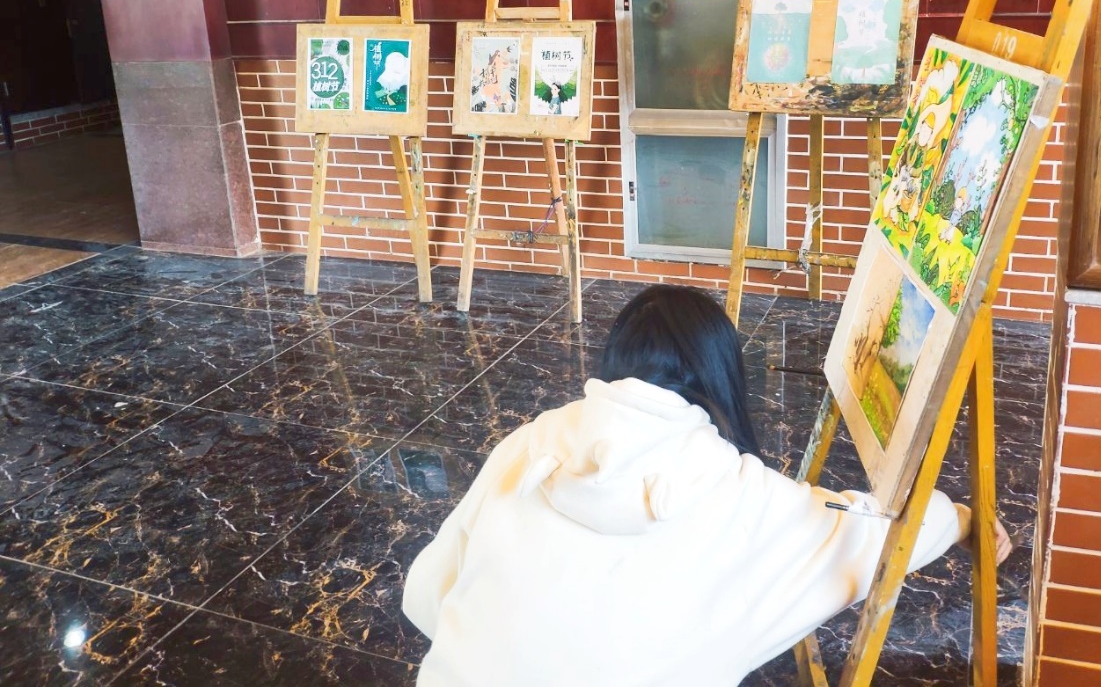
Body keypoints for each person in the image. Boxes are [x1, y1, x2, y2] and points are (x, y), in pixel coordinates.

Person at [402, 285, 1009, 685]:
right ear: (720, 377)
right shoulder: (739, 494)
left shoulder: (530, 443)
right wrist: (960, 519)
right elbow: (876, 537)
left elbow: (427, 593)